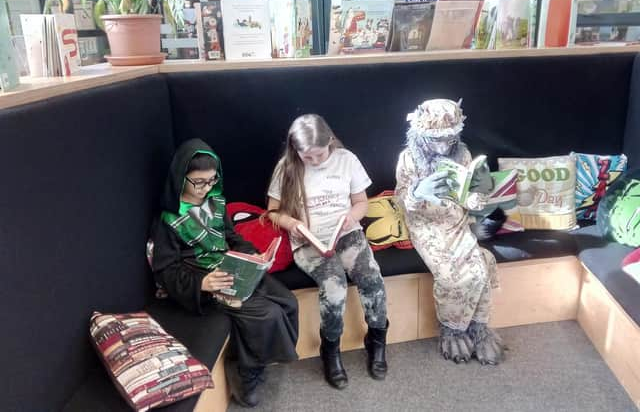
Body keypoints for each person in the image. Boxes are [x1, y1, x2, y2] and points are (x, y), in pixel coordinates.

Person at [151, 138, 299, 408]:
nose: (205, 188)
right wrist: (202, 283)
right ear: (180, 177)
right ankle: (246, 372)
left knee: (287, 301)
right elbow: (165, 270)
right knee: (266, 314)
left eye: (211, 181)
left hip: (231, 266)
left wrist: (252, 254)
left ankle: (261, 357)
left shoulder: (215, 202)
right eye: (198, 182)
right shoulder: (168, 220)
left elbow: (231, 236)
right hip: (201, 279)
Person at [266, 114, 389, 389]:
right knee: (334, 288)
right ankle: (330, 350)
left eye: (319, 155)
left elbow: (361, 203)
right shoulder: (287, 166)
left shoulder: (347, 159)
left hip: (346, 234)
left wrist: (351, 216)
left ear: (330, 141)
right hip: (309, 241)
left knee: (372, 279)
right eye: (306, 157)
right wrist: (292, 224)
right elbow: (273, 211)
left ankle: (377, 339)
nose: (314, 161)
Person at [395, 99, 505, 365]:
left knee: (482, 264)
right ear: (422, 134)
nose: (444, 146)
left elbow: (464, 192)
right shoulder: (409, 158)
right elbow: (402, 200)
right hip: (425, 224)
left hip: (456, 221)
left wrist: (474, 200)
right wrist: (419, 192)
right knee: (451, 275)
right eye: (436, 140)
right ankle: (452, 329)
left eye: (449, 139)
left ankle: (478, 328)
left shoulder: (462, 153)